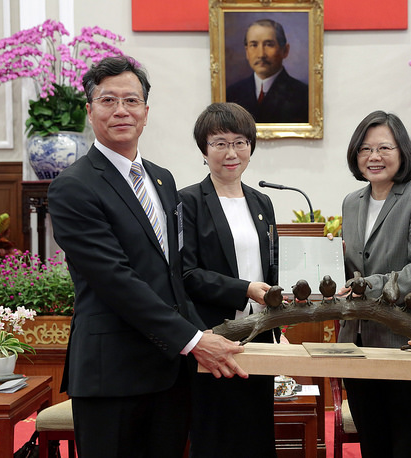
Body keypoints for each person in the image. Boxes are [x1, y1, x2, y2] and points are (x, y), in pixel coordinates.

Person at [48, 56, 248, 458]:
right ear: (89, 111)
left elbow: (173, 275)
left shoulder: (162, 179)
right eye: (108, 100)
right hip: (112, 375)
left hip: (169, 371)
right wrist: (194, 340)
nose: (121, 111)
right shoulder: (73, 187)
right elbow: (115, 280)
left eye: (131, 101)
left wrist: (203, 336)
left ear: (146, 111)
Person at [336, 110, 411, 458]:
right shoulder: (352, 203)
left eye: (384, 147)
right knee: (374, 445)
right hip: (357, 342)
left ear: (403, 152)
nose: (374, 156)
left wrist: (365, 285)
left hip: (405, 341)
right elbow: (353, 267)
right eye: (365, 149)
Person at [179, 102, 280, 458]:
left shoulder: (262, 202)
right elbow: (186, 274)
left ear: (251, 146)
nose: (231, 152)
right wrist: (245, 289)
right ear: (204, 150)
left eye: (240, 142)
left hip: (259, 336)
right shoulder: (187, 201)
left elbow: (271, 269)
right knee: (215, 436)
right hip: (214, 337)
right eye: (220, 143)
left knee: (256, 434)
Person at [226, 18, 308, 123]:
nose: (261, 54)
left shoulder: (303, 95)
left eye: (269, 44)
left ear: (285, 50)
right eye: (254, 45)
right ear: (247, 51)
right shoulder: (232, 93)